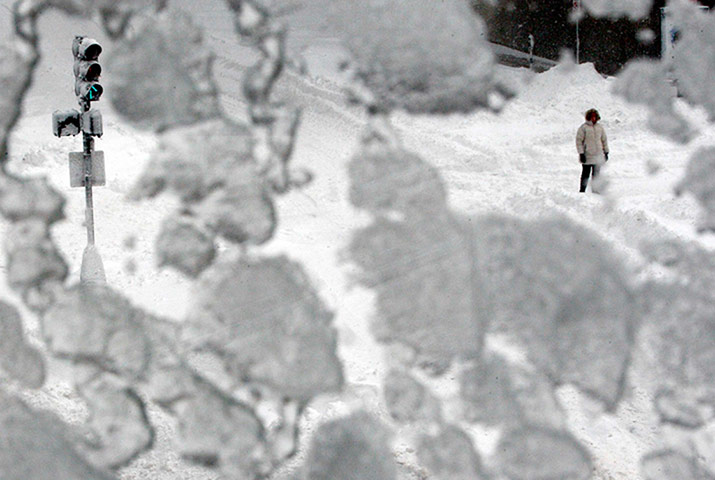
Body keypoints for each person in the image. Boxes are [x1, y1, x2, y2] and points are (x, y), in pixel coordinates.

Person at [576, 108, 609, 193]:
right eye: (591, 117)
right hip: (587, 156)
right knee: (585, 175)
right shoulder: (583, 128)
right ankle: (582, 190)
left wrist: (606, 152)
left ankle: (595, 190)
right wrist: (581, 153)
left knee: (596, 175)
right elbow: (579, 141)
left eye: (595, 117)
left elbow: (604, 140)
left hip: (598, 156)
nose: (593, 118)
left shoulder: (600, 128)